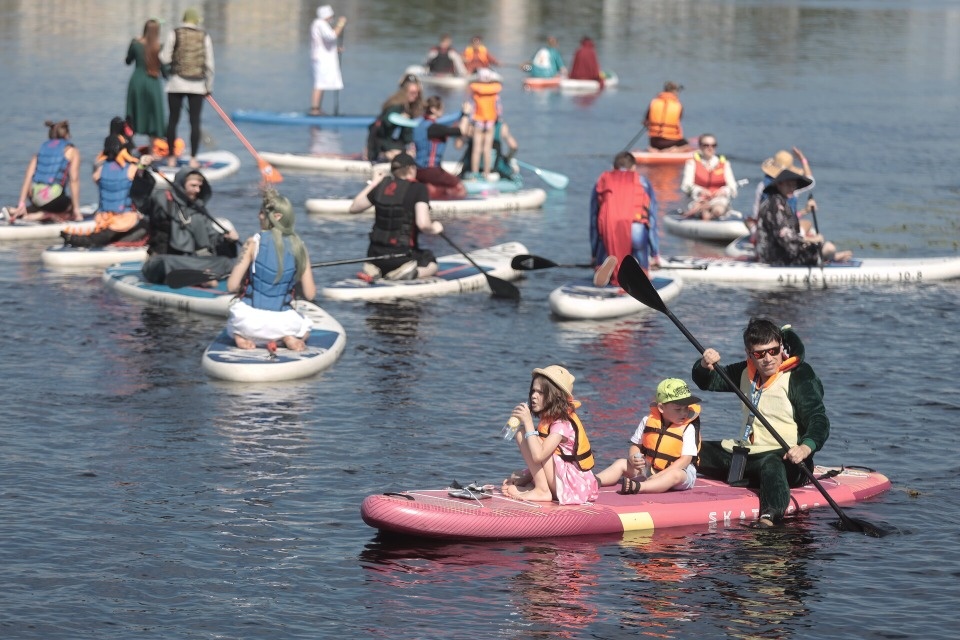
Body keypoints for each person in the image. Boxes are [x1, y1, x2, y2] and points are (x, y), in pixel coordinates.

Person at [692, 318, 830, 528]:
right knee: (691, 448)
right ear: (749, 354)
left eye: (773, 351)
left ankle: (770, 517)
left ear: (780, 347)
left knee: (770, 465)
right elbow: (707, 381)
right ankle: (655, 474)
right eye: (759, 354)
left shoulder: (800, 376)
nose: (768, 359)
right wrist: (704, 365)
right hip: (747, 455)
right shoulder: (744, 372)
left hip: (788, 460)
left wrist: (805, 447)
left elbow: (818, 419)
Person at [225, 189, 316, 351]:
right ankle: (288, 337)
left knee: (232, 325)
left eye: (262, 213)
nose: (259, 216)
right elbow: (310, 294)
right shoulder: (300, 247)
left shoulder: (252, 243)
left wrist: (242, 285)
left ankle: (240, 337)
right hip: (283, 322)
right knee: (306, 328)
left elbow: (231, 286)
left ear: (277, 216)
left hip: (249, 322)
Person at [501, 365, 600, 505]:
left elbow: (539, 456)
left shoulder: (562, 424)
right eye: (533, 391)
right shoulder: (548, 420)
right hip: (559, 479)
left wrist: (528, 422)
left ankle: (542, 490)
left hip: (573, 486)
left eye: (540, 392)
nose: (534, 396)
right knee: (521, 434)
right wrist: (527, 477)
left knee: (528, 434)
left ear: (556, 396)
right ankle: (538, 486)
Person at [131, 157, 239, 285]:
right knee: (165, 264)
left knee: (226, 262)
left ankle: (201, 276)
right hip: (163, 259)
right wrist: (141, 169)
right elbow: (141, 200)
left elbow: (212, 239)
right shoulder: (161, 199)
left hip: (191, 260)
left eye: (199, 186)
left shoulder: (198, 209)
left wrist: (227, 239)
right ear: (181, 185)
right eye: (193, 186)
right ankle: (202, 276)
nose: (197, 190)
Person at [594, 378, 702, 495]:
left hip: (680, 473)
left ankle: (640, 487)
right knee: (621, 463)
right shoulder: (647, 421)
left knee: (674, 475)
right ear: (661, 408)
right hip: (651, 469)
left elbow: (686, 460)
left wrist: (661, 475)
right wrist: (633, 457)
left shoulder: (688, 428)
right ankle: (595, 480)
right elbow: (636, 446)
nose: (684, 413)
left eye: (686, 408)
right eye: (678, 409)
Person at [348, 152, 444, 281]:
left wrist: (374, 182)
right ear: (411, 169)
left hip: (374, 255)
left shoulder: (382, 186)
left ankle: (375, 269)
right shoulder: (418, 188)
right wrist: (435, 228)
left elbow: (354, 208)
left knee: (382, 256)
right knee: (431, 262)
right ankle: (408, 273)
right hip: (402, 256)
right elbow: (423, 224)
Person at [60, 135, 146, 248]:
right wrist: (142, 164)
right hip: (125, 219)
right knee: (145, 225)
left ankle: (79, 238)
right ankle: (116, 242)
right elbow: (143, 182)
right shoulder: (131, 170)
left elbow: (96, 177)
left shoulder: (100, 171)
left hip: (103, 219)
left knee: (104, 233)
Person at [755, 164, 852, 264]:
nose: (791, 188)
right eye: (788, 185)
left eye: (793, 185)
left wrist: (806, 211)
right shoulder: (775, 204)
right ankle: (827, 257)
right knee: (828, 248)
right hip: (774, 256)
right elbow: (784, 235)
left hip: (784, 250)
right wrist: (810, 239)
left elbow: (790, 229)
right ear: (779, 184)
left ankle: (828, 257)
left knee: (827, 247)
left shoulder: (780, 201)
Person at [589, 151, 660, 287]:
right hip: (636, 229)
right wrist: (655, 253)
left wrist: (593, 253)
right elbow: (652, 219)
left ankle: (602, 266)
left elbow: (594, 220)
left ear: (614, 167)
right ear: (633, 167)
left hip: (609, 231)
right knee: (639, 249)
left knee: (607, 245)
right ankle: (643, 272)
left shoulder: (602, 180)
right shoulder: (642, 181)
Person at [160, 7, 214, 168]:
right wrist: (208, 87)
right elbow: (210, 65)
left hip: (176, 83)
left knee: (173, 120)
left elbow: (164, 58)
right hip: (197, 86)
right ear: (197, 21)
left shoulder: (174, 33)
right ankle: (193, 158)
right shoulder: (204, 36)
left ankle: (171, 158)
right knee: (195, 122)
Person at [6, 120, 82, 223]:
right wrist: (76, 210)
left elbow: (27, 178)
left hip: (34, 197)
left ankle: (17, 211)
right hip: (53, 200)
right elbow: (74, 179)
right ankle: (42, 216)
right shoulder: (72, 151)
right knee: (69, 206)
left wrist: (21, 204)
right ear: (66, 134)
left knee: (42, 204)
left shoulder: (41, 151)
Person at [412, 96, 471, 199]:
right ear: (434, 110)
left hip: (418, 170)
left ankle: (431, 193)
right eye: (441, 109)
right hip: (431, 170)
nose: (443, 112)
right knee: (459, 187)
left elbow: (446, 120)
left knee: (438, 186)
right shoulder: (435, 128)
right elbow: (462, 131)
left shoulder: (419, 124)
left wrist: (460, 114)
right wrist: (466, 114)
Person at [751, 148, 816, 236]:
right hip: (785, 231)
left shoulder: (762, 185)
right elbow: (811, 181)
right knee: (808, 223)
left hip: (763, 228)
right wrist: (802, 159)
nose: (791, 187)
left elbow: (756, 213)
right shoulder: (793, 188)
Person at [125, 19, 166, 145]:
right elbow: (165, 71)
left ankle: (129, 147)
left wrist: (133, 43)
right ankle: (152, 150)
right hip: (153, 83)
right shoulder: (160, 47)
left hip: (136, 82)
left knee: (133, 113)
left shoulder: (136, 45)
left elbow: (128, 61)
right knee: (154, 116)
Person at [680, 134, 739, 220]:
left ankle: (713, 215)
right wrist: (699, 190)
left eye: (713, 145)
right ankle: (703, 213)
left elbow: (733, 187)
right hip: (698, 199)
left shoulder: (725, 164)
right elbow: (685, 186)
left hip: (718, 200)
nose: (710, 148)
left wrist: (724, 191)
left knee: (718, 209)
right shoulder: (691, 164)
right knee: (703, 211)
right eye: (706, 145)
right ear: (700, 146)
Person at [366, 74, 423, 161]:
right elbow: (387, 121)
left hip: (388, 141)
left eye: (417, 93)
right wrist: (401, 119)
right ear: (404, 92)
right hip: (380, 143)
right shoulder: (396, 106)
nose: (415, 96)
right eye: (412, 93)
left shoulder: (408, 107)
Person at [310, 5, 347, 116]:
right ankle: (315, 109)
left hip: (322, 57)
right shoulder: (320, 24)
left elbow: (323, 43)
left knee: (322, 83)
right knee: (319, 83)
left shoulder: (319, 24)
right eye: (332, 16)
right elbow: (331, 36)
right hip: (321, 60)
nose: (333, 18)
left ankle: (317, 108)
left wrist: (335, 49)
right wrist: (341, 24)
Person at [467, 68, 503, 180]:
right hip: (490, 121)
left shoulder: (476, 91)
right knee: (487, 149)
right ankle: (486, 173)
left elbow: (472, 108)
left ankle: (474, 174)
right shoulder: (495, 91)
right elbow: (499, 109)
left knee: (477, 149)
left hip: (478, 120)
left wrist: (469, 122)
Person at [645, 81, 689, 151]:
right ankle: (671, 150)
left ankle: (654, 150)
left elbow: (646, 121)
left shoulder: (654, 102)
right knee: (687, 146)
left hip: (654, 141)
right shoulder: (678, 105)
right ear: (674, 92)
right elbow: (677, 120)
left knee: (658, 142)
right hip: (671, 141)